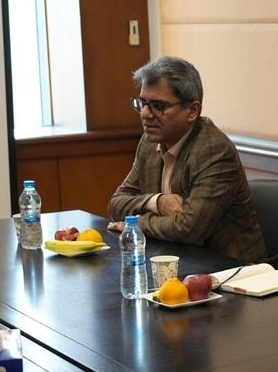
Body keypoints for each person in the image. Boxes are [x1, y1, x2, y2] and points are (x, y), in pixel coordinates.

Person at [108, 56, 266, 263]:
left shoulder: (213, 150)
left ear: (192, 111)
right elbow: (116, 204)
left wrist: (135, 224)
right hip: (173, 261)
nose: (146, 114)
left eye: (158, 105)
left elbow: (189, 229)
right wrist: (157, 202)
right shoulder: (149, 143)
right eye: (143, 103)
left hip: (229, 269)